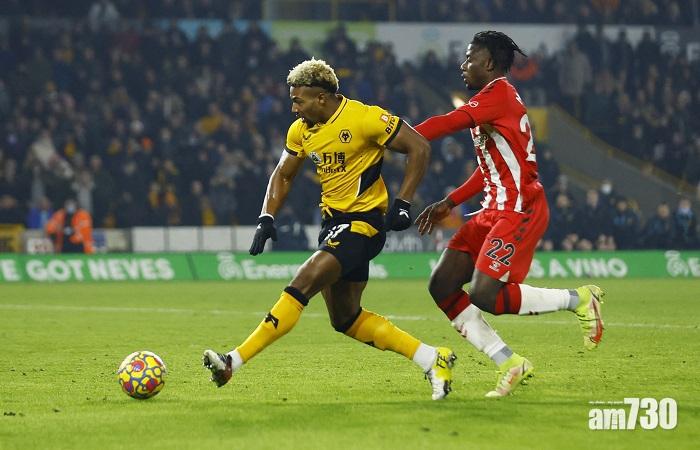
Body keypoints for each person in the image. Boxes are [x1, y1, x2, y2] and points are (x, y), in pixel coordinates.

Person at [203, 58, 456, 400]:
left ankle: (232, 360)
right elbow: (284, 174)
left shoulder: (365, 118)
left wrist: (403, 202)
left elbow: (419, 146)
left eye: (298, 101)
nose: (293, 108)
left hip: (363, 223)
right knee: (345, 318)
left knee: (302, 283)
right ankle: (432, 357)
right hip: (332, 225)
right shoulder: (301, 130)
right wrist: (266, 217)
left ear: (321, 98)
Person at [412, 31, 605, 397]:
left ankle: (578, 299)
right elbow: (490, 168)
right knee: (442, 285)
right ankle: (509, 362)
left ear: (488, 63)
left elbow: (446, 123)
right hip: (494, 209)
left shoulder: (498, 94)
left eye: (469, 58)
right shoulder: (492, 99)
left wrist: (393, 137)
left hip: (520, 209)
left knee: (486, 295)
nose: (463, 65)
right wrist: (450, 202)